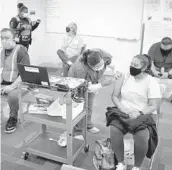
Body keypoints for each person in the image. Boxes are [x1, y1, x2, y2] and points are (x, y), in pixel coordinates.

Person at [109, 54, 161, 170]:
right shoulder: (124, 76)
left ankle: (136, 167)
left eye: (136, 65)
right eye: (131, 63)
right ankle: (121, 162)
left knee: (142, 137)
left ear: (144, 68)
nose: (132, 66)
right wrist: (122, 108)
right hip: (124, 110)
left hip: (143, 113)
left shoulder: (151, 82)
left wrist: (139, 113)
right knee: (114, 130)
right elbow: (115, 96)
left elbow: (153, 105)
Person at [68, 48, 121, 135]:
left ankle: (88, 125)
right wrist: (102, 84)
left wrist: (116, 70)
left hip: (92, 80)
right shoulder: (80, 69)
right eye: (96, 67)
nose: (100, 68)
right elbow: (89, 88)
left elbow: (111, 63)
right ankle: (77, 132)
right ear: (89, 65)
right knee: (81, 106)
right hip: (77, 83)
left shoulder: (100, 53)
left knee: (89, 104)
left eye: (101, 64)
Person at [0, 28, 30, 133]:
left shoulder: (21, 51)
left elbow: (24, 74)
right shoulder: (2, 51)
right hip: (4, 82)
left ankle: (13, 117)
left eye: (7, 38)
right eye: (2, 38)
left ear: (14, 38)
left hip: (20, 83)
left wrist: (12, 86)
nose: (4, 40)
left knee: (12, 96)